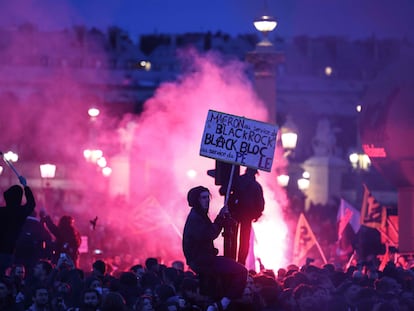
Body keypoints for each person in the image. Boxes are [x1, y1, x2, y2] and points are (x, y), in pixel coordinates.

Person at [182, 186, 248, 311]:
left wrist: (220, 217)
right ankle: (223, 303)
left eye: (208, 197)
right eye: (203, 198)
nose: (207, 200)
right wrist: (220, 219)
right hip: (203, 261)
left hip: (205, 259)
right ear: (196, 200)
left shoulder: (199, 215)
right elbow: (210, 234)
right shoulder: (196, 218)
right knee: (241, 271)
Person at [228, 168, 265, 265]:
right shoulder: (256, 186)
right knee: (244, 240)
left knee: (232, 237)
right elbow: (260, 203)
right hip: (247, 216)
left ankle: (231, 260)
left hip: (235, 214)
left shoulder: (236, 181)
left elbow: (227, 193)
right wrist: (257, 214)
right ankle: (241, 262)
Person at [0, 176, 36, 276]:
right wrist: (25, 186)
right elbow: (31, 203)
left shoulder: (1, 211)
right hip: (10, 250)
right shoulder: (20, 212)